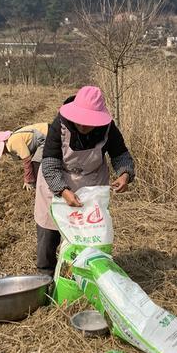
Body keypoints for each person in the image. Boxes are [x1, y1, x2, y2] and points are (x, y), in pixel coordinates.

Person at [35, 86, 135, 275]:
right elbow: (49, 163)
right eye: (80, 121)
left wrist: (125, 175)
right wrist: (63, 191)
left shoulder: (107, 129)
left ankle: (82, 272)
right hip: (55, 182)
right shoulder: (59, 126)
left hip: (90, 185)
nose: (84, 127)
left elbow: (120, 154)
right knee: (49, 232)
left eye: (89, 123)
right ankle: (45, 275)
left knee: (87, 233)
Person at [0, 123, 49, 190]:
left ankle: (43, 187)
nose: (2, 153)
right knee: (34, 165)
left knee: (36, 164)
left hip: (47, 135)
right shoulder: (11, 142)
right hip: (43, 137)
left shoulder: (13, 141)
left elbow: (27, 160)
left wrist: (28, 180)